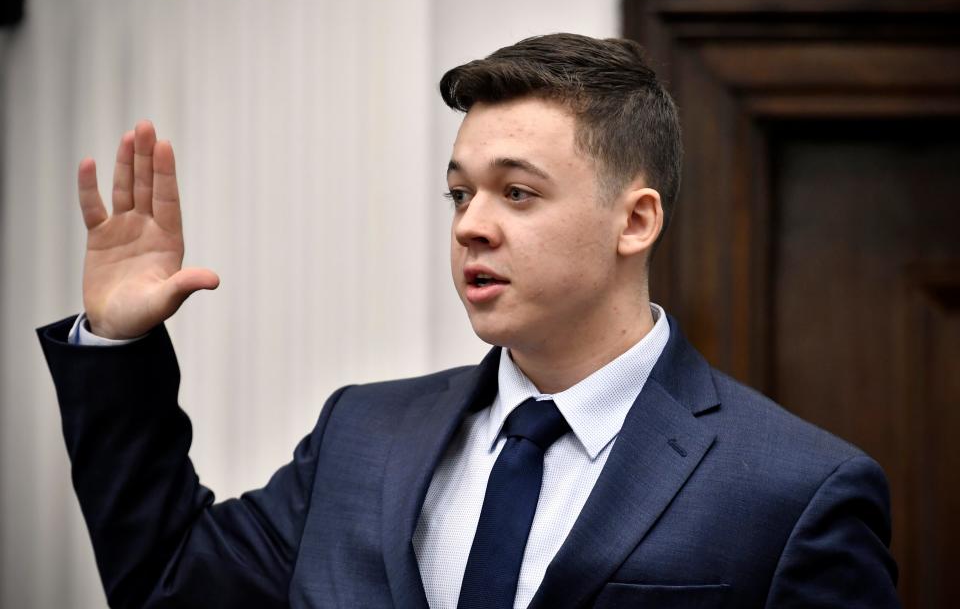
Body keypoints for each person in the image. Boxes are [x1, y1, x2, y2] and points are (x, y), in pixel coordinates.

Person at [37, 33, 899, 608]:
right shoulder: (361, 433)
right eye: (460, 193)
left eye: (517, 193)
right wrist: (118, 344)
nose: (470, 224)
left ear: (634, 221)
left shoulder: (796, 492)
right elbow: (168, 585)